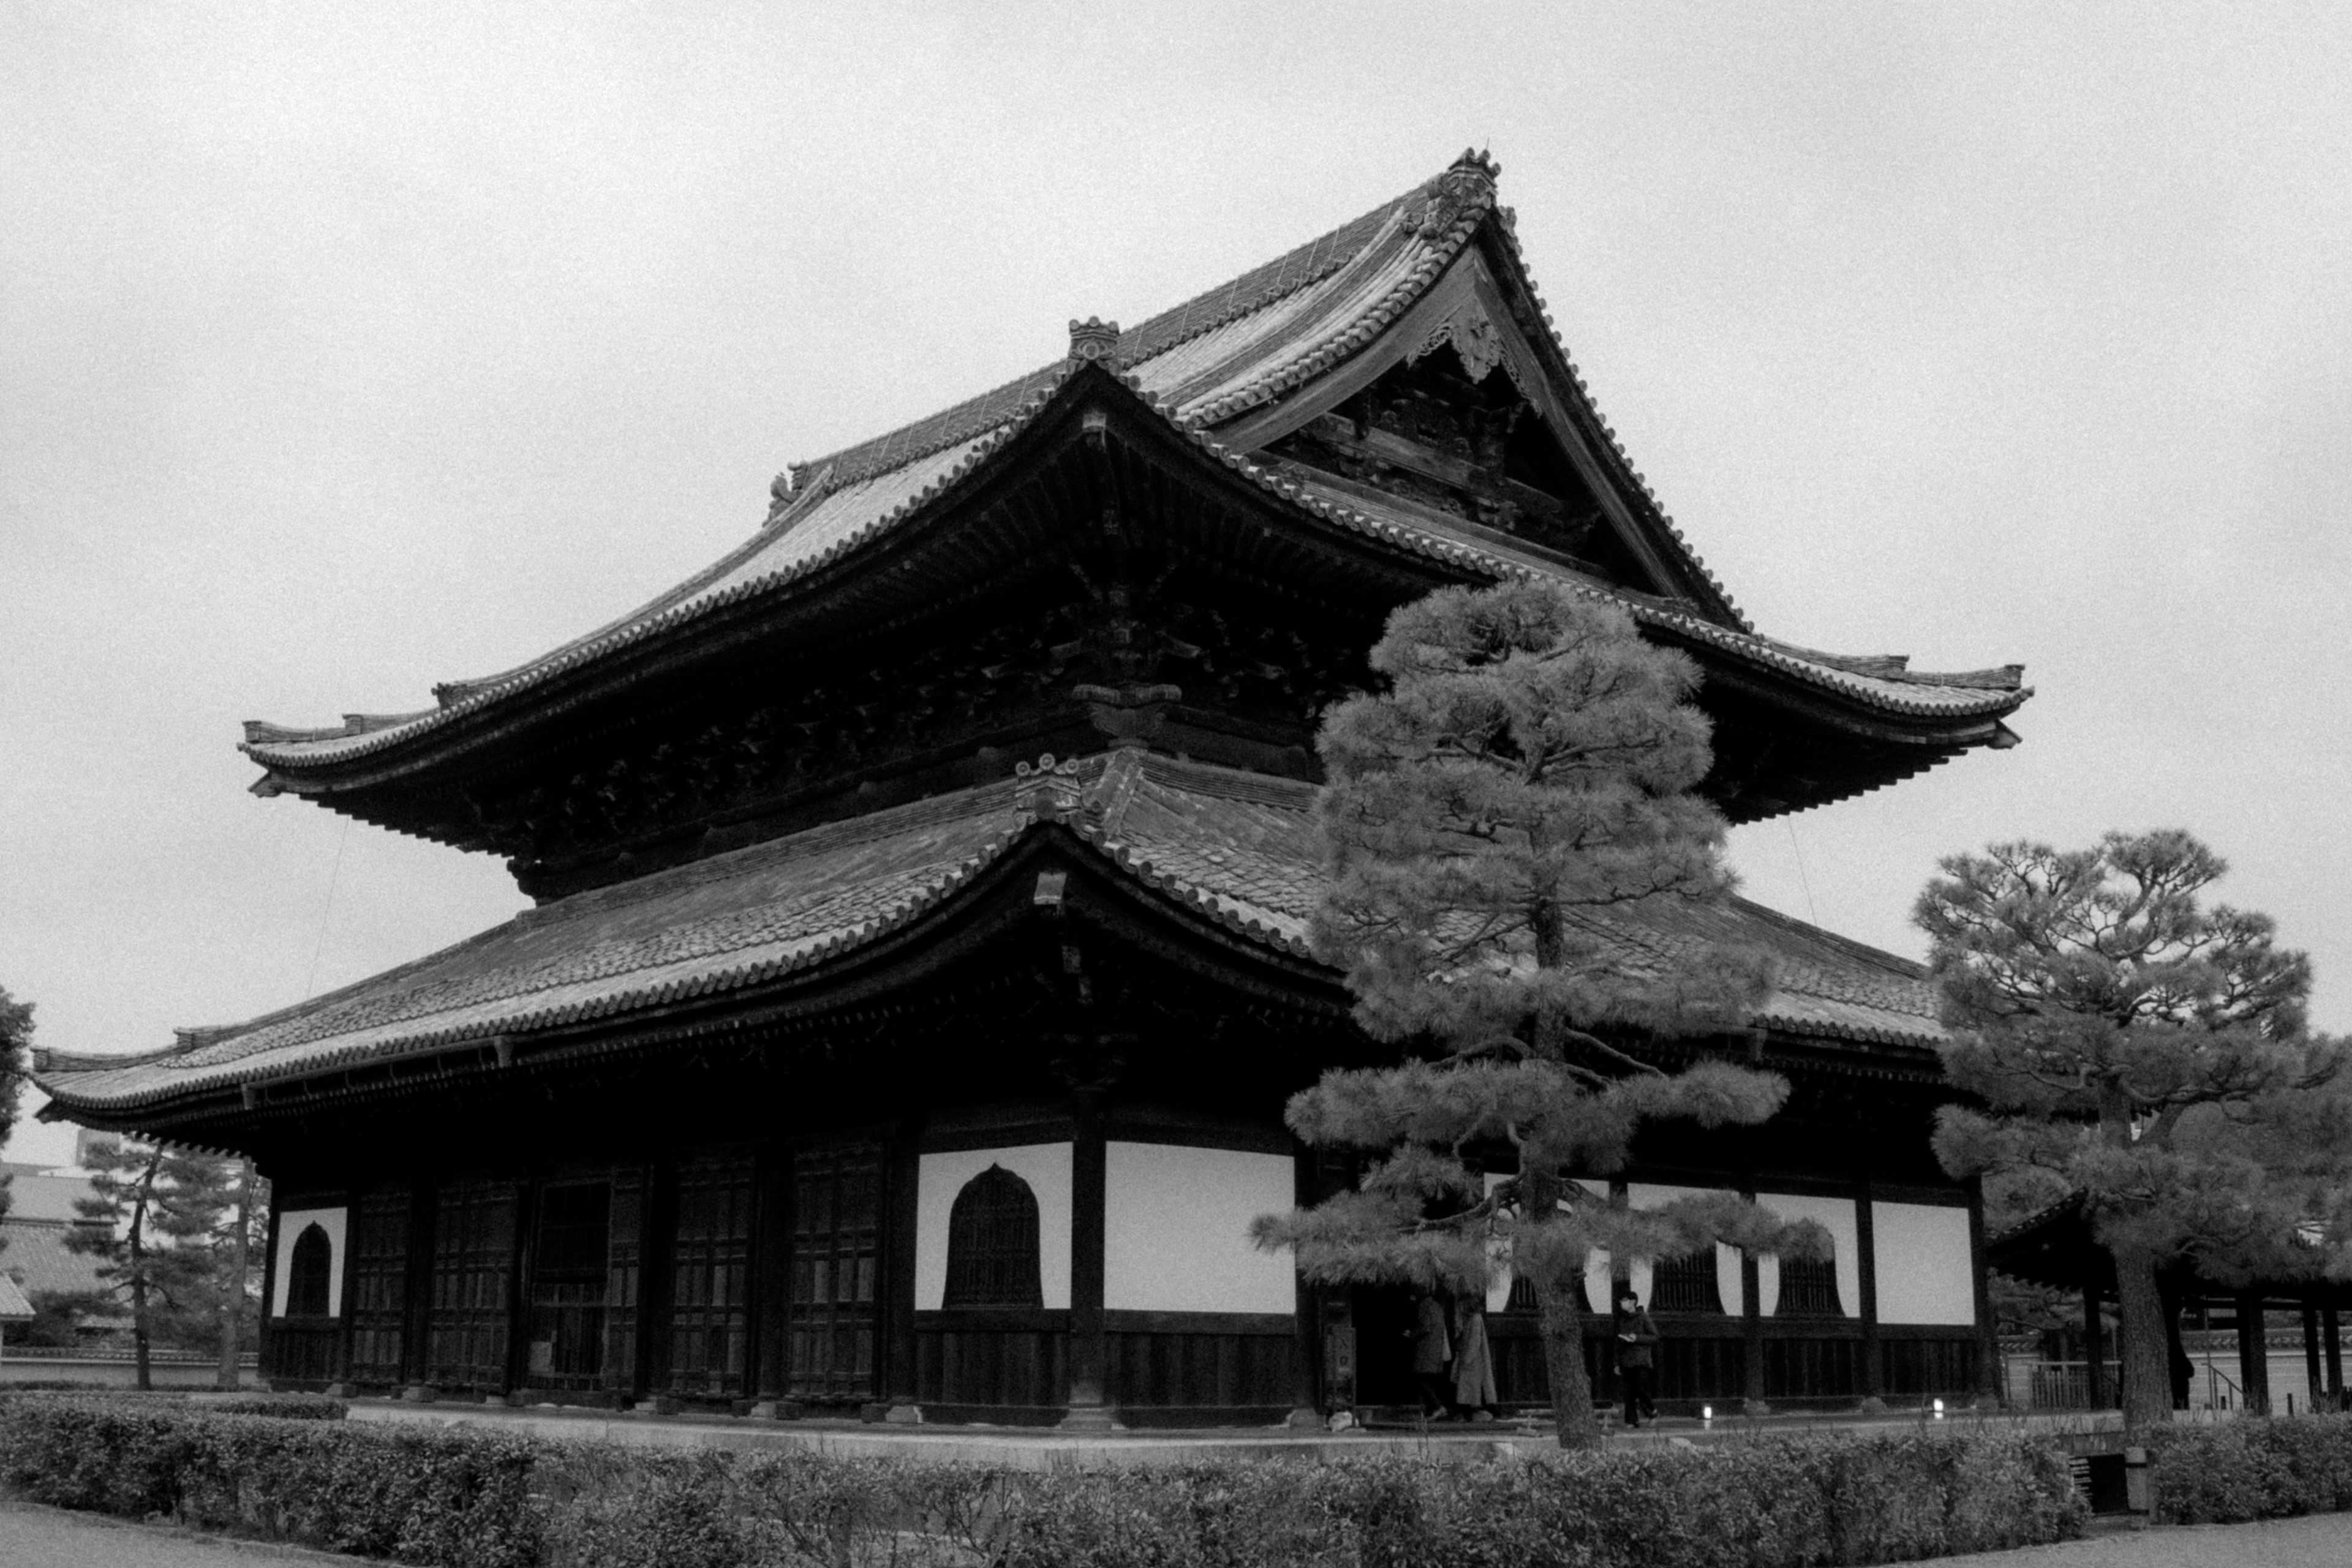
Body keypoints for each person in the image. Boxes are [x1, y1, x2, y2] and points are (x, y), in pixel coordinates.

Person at [1613, 1285, 1659, 1427]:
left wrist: (1637, 1338)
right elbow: (1618, 1343)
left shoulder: (1643, 1317)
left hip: (1641, 1360)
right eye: (1621, 1301)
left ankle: (1652, 1411)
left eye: (1625, 1300)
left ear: (1633, 1302)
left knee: (1640, 1389)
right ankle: (1632, 1420)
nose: (1622, 1303)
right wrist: (1617, 1363)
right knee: (1628, 1393)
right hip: (1626, 1359)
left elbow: (1654, 1336)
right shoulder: (1622, 1320)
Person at [1409, 1289, 1455, 1419]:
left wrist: (1412, 1334)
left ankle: (1438, 1407)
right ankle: (1432, 1411)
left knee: (1420, 1379)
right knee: (1430, 1380)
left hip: (1426, 1350)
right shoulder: (1438, 1307)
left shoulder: (1424, 1306)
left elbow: (1426, 1327)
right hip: (1437, 1350)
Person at [1452, 1302, 1499, 1422]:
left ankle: (1471, 1414)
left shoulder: (1475, 1319)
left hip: (1474, 1361)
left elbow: (1475, 1340)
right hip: (1474, 1360)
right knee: (1471, 1390)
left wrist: (1467, 1358)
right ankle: (1472, 1413)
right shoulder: (1474, 1319)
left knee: (1469, 1390)